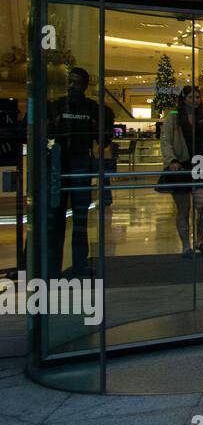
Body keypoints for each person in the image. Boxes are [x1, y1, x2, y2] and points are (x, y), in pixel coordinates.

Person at [47, 66, 109, 277]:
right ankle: (53, 266)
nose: (73, 86)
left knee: (81, 219)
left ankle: (80, 264)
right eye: (70, 81)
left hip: (81, 162)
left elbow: (103, 137)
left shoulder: (92, 108)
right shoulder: (57, 106)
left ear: (84, 85)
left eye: (77, 82)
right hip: (59, 164)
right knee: (56, 219)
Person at [161, 85, 203, 257]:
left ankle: (199, 241)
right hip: (181, 165)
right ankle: (186, 245)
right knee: (183, 208)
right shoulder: (173, 117)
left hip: (199, 164)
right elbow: (166, 140)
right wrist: (171, 160)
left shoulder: (202, 118)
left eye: (197, 97)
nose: (194, 101)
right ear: (183, 99)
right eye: (191, 97)